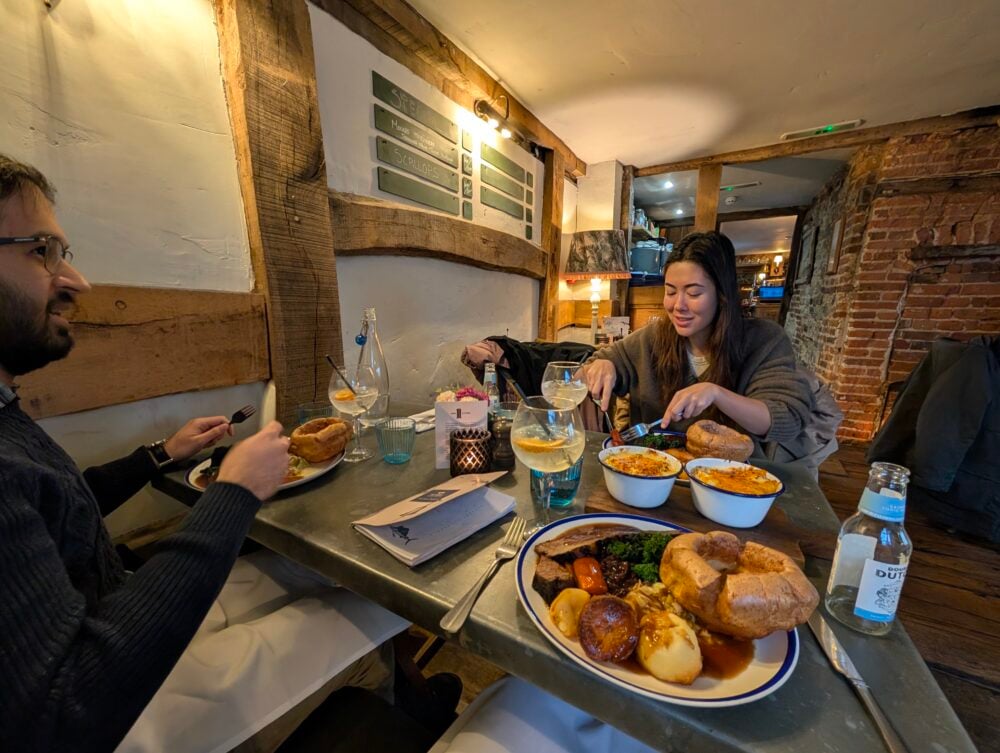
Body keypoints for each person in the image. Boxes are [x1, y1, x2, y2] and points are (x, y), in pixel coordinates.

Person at [0, 154, 409, 753]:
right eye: (42, 251)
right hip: (121, 707)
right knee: (373, 605)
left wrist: (159, 453)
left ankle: (408, 701)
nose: (76, 282)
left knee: (319, 572)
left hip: (115, 604)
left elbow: (56, 508)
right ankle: (395, 724)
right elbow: (61, 713)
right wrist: (234, 492)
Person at [579, 232, 813, 455]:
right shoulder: (652, 338)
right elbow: (587, 371)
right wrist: (602, 365)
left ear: (722, 295)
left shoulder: (764, 340)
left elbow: (788, 418)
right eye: (670, 292)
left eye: (693, 293)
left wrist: (716, 394)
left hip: (729, 479)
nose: (678, 305)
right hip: (647, 471)